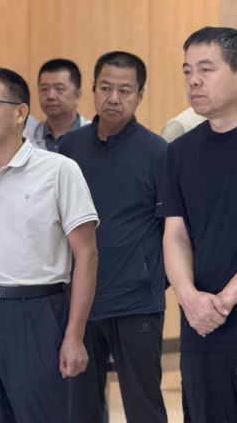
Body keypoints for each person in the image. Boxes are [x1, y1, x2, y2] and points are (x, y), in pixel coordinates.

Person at [0, 66, 99, 423]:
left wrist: (74, 336)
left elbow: (86, 254)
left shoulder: (59, 170)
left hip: (37, 314)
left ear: (21, 112)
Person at [61, 51, 168, 423]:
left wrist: (150, 278)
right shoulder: (69, 149)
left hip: (136, 302)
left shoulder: (158, 152)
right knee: (79, 407)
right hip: (79, 301)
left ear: (140, 95)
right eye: (105, 88)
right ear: (93, 90)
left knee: (143, 406)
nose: (114, 98)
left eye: (125, 90)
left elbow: (171, 230)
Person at [161, 26, 237, 422]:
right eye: (187, 70)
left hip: (220, 310)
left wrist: (226, 300)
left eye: (206, 69)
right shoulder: (178, 152)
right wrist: (188, 297)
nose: (194, 80)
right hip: (201, 328)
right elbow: (175, 232)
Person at [31, 58, 90, 151]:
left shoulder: (96, 135)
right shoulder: (26, 137)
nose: (50, 96)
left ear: (77, 95)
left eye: (59, 88)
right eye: (44, 89)